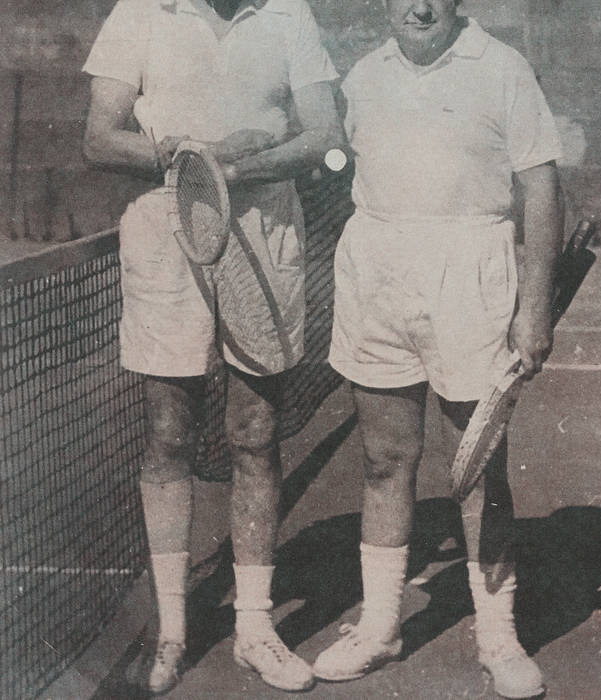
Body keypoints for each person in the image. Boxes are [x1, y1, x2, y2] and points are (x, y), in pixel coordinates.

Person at [82, 0, 344, 693]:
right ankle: (172, 633)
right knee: (170, 434)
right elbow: (99, 140)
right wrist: (186, 155)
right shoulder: (139, 13)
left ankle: (255, 630)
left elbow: (326, 136)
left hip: (267, 238)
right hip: (164, 236)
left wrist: (241, 165)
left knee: (255, 432)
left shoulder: (289, 14)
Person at [314, 1, 563, 698]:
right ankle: (381, 628)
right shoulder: (362, 77)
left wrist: (535, 309)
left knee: (478, 465)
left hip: (471, 273)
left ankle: (498, 637)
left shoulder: (504, 69)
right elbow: (339, 168)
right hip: (378, 273)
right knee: (384, 459)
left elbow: (542, 188)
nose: (419, 6)